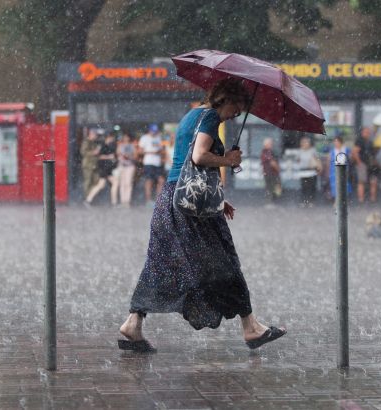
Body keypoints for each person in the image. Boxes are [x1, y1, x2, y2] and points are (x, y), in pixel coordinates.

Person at [119, 78, 286, 353]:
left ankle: (133, 323)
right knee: (225, 262)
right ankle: (251, 328)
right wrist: (228, 161)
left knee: (162, 264)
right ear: (226, 99)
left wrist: (219, 199)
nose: (237, 113)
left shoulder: (194, 115)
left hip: (172, 201)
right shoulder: (209, 118)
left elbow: (190, 170)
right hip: (190, 211)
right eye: (237, 106)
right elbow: (198, 157)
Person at [84, 133, 117, 206]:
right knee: (110, 183)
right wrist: (109, 157)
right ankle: (113, 202)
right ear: (108, 138)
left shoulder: (109, 146)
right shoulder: (103, 146)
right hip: (104, 168)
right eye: (111, 138)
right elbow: (99, 156)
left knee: (101, 185)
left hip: (107, 168)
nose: (112, 140)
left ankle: (88, 200)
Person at [138, 123, 165, 206]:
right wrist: (152, 152)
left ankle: (158, 200)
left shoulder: (159, 138)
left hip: (157, 162)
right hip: (148, 162)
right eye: (153, 131)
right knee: (149, 181)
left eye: (155, 131)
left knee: (161, 181)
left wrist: (160, 154)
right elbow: (140, 151)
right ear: (149, 130)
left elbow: (161, 150)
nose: (154, 132)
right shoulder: (144, 138)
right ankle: (148, 200)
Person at [353, 127, 378, 203]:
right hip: (363, 164)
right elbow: (355, 152)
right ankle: (361, 199)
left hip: (370, 164)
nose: (367, 133)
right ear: (362, 132)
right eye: (366, 132)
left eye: (368, 132)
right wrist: (359, 162)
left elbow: (372, 153)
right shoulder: (359, 141)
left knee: (373, 181)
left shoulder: (370, 141)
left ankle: (372, 198)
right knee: (361, 181)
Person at [111, 132, 136, 207]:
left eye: (127, 137)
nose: (126, 139)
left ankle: (127, 201)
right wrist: (122, 155)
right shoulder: (120, 145)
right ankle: (122, 201)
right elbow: (117, 154)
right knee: (122, 183)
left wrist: (129, 156)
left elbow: (135, 156)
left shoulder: (132, 146)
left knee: (128, 183)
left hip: (130, 166)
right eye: (124, 137)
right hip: (121, 166)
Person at [297, 136, 322, 207]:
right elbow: (298, 160)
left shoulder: (313, 150)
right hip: (303, 171)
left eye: (306, 142)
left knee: (311, 187)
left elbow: (317, 159)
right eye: (303, 142)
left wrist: (319, 168)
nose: (305, 144)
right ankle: (304, 201)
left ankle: (311, 201)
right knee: (304, 187)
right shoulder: (300, 151)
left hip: (311, 171)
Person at [329, 135, 352, 200]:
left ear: (341, 142)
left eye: (337, 142)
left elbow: (350, 159)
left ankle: (344, 199)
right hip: (334, 170)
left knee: (344, 184)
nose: (335, 143)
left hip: (344, 170)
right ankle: (336, 200)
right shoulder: (332, 151)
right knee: (335, 185)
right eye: (335, 142)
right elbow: (329, 161)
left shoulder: (346, 149)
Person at [260, 137, 282, 206]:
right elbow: (273, 163)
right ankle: (269, 202)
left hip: (271, 173)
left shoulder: (270, 151)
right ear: (265, 144)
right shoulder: (266, 152)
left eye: (271, 143)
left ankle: (273, 201)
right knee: (270, 187)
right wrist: (278, 169)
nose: (271, 145)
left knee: (274, 187)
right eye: (269, 143)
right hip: (270, 173)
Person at [81, 129, 100, 198]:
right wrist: (93, 152)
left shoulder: (94, 142)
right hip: (88, 164)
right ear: (91, 134)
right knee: (88, 181)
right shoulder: (86, 142)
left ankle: (90, 197)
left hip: (94, 164)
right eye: (95, 135)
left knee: (96, 181)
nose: (96, 136)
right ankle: (87, 197)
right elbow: (83, 152)